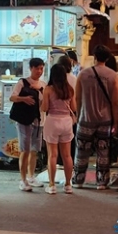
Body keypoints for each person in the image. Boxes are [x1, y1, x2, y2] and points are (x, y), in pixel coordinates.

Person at [72, 45, 118, 190]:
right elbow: (115, 102)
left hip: (86, 118)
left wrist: (78, 115)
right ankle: (102, 182)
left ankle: (78, 180)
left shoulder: (83, 74)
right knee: (103, 152)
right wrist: (115, 122)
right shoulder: (113, 75)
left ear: (94, 57)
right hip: (105, 119)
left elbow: (77, 98)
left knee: (81, 152)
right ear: (107, 58)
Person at [10, 57, 47, 192]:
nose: (39, 71)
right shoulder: (22, 82)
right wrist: (23, 99)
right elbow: (12, 97)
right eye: (37, 68)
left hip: (39, 121)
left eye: (41, 68)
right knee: (24, 150)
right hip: (24, 121)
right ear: (31, 68)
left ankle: (31, 176)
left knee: (34, 150)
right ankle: (23, 179)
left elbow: (46, 103)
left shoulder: (44, 85)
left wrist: (41, 91)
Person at [42, 64, 76, 194]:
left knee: (52, 155)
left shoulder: (48, 89)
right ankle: (68, 185)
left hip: (52, 121)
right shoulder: (69, 89)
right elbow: (74, 107)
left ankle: (52, 185)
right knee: (67, 155)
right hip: (66, 122)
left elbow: (45, 108)